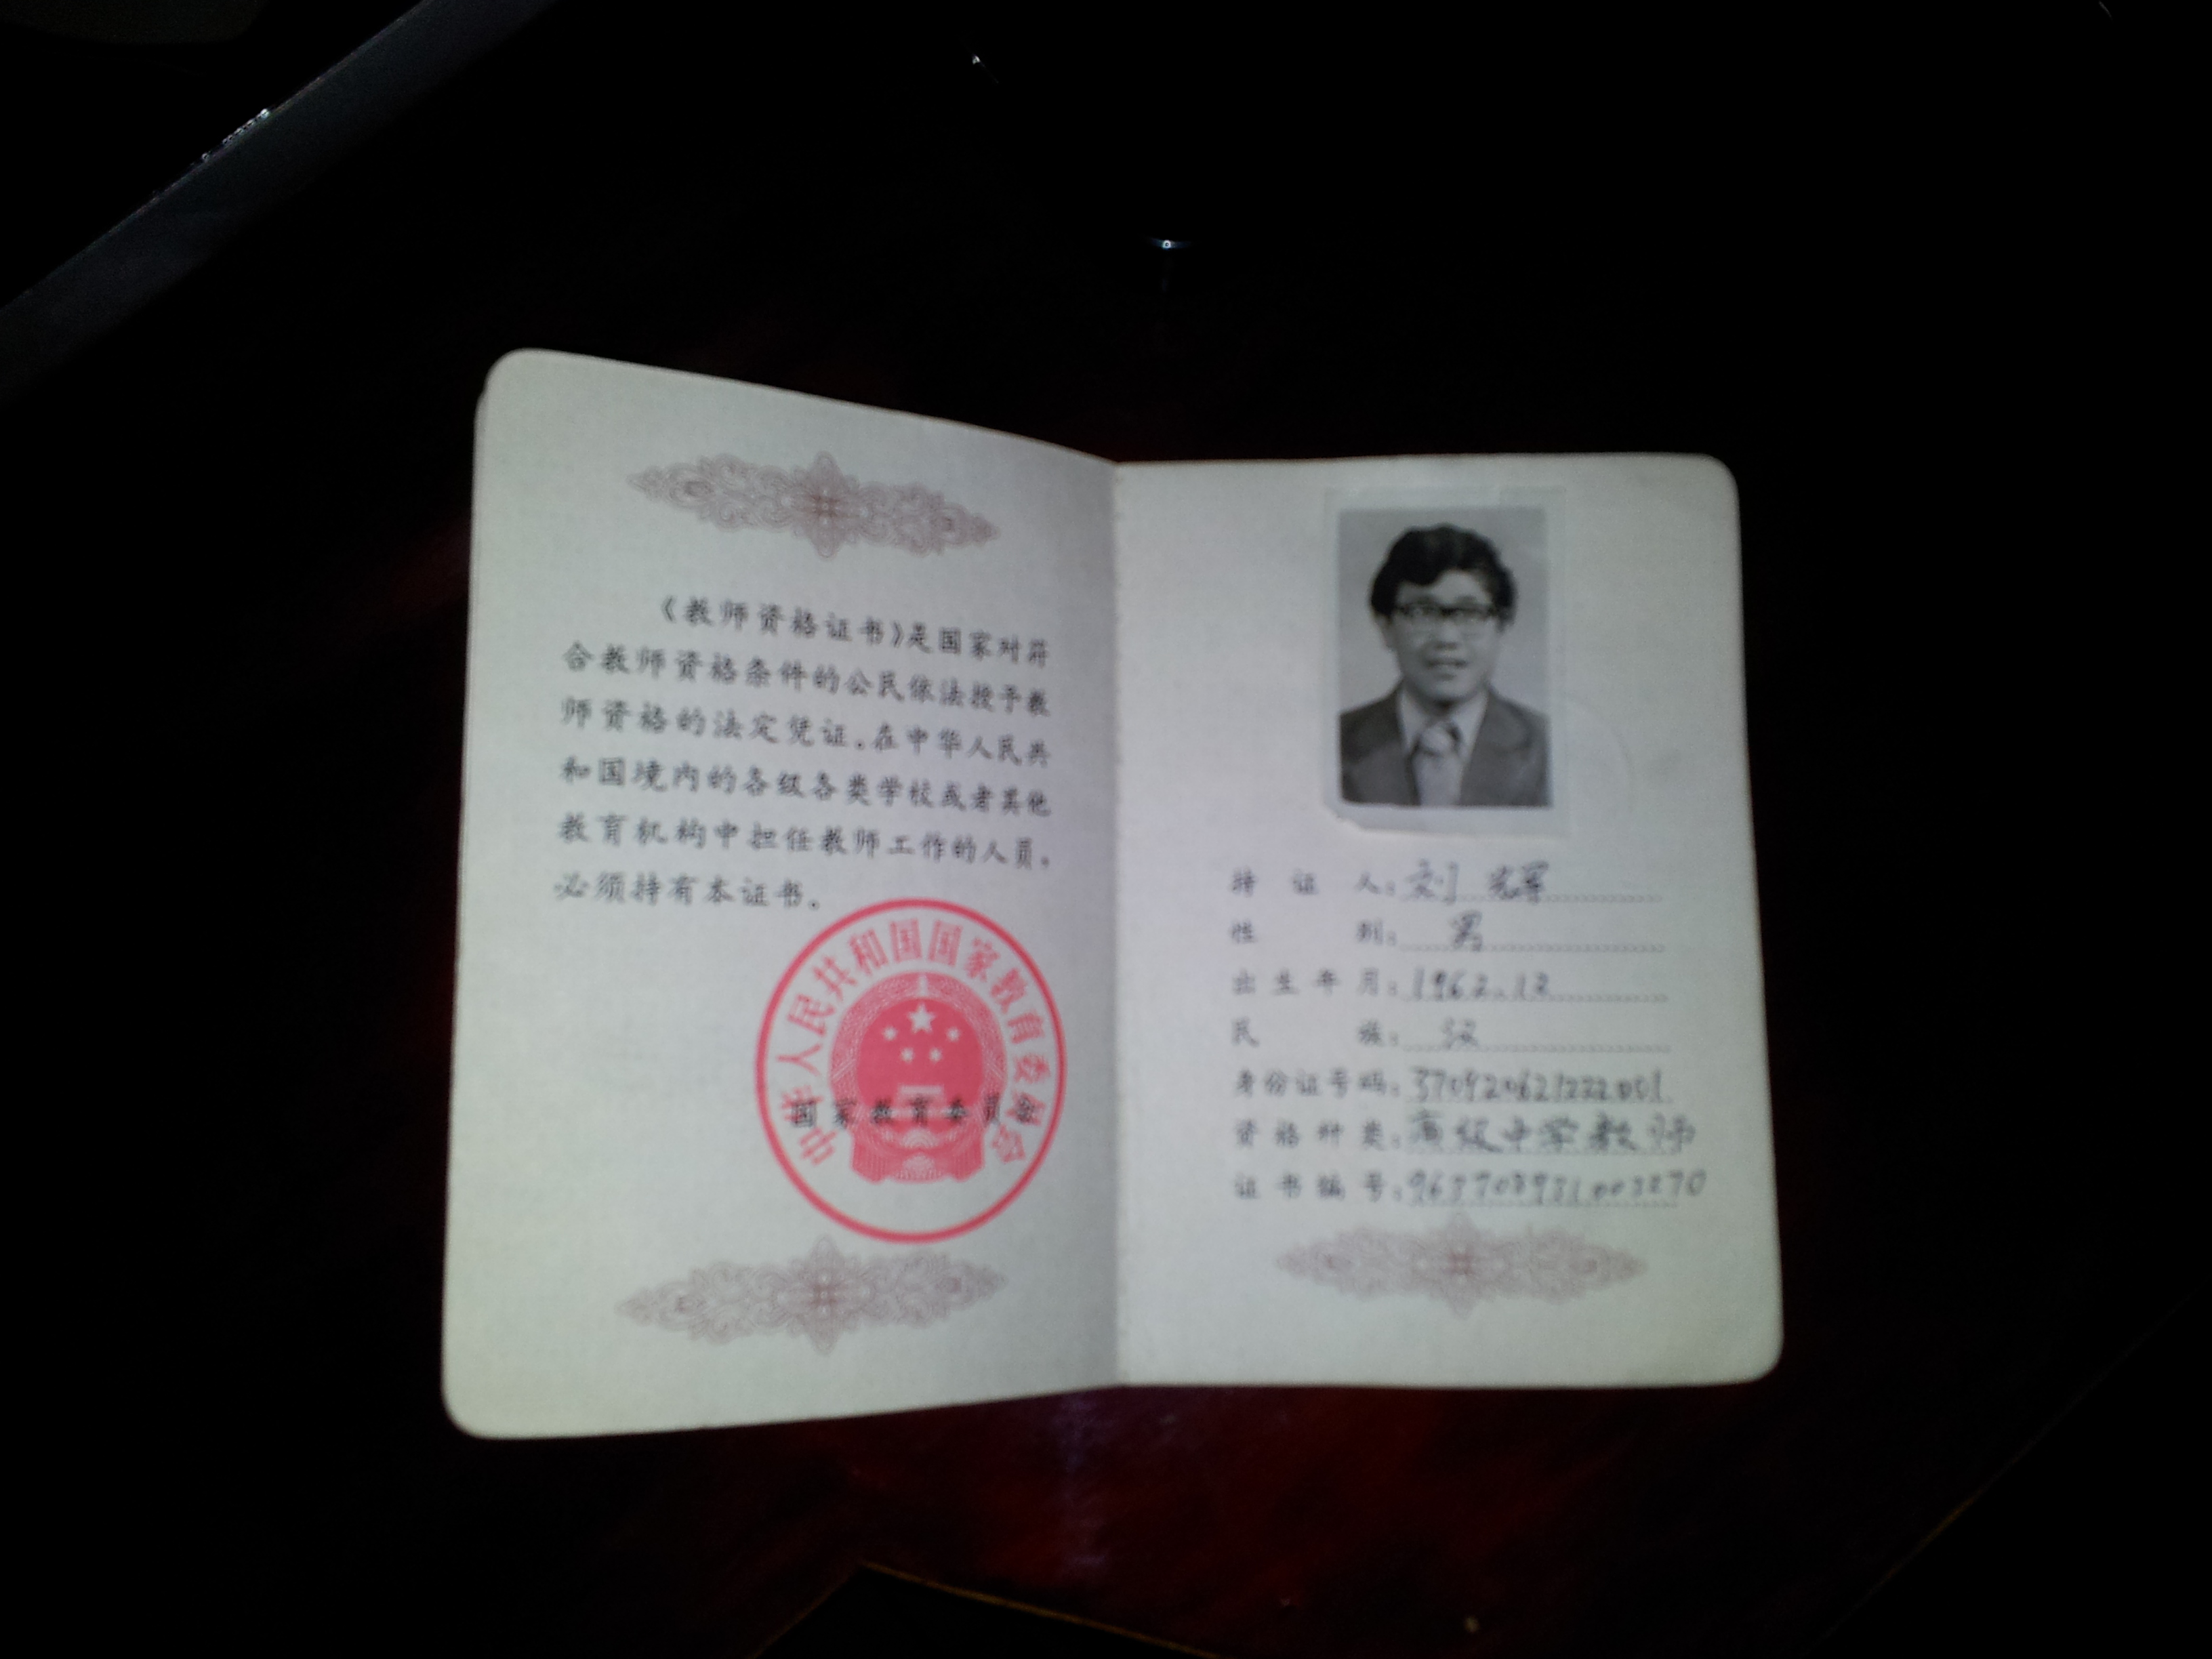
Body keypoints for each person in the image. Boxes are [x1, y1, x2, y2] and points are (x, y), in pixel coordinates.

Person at [1340, 525, 1549, 806]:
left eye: (1470, 613)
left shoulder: (1549, 746)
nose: (1446, 639)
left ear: (1502, 626)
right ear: (1386, 627)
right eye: (1422, 613)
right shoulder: (1333, 742)